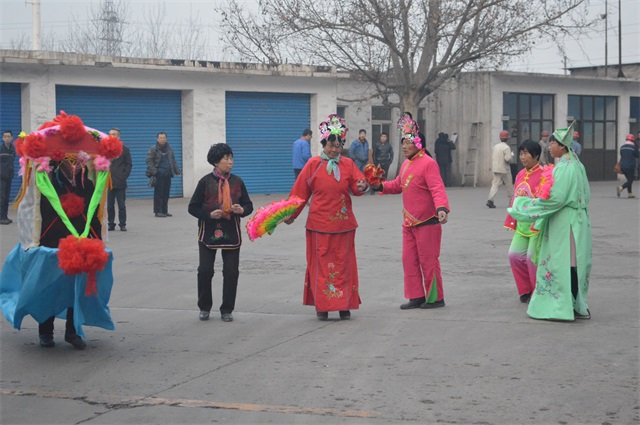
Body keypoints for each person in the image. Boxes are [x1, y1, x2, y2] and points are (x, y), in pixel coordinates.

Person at [0, 112, 121, 349]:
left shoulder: (89, 182)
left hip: (81, 240)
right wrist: (36, 242)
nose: (74, 165)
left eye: (78, 161)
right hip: (51, 243)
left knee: (75, 289)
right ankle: (45, 331)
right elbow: (35, 211)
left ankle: (72, 332)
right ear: (58, 161)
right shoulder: (46, 181)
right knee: (48, 287)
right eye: (68, 160)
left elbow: (96, 211)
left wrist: (96, 240)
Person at [285, 114, 369, 321]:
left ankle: (344, 305)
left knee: (344, 265)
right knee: (321, 266)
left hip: (344, 225)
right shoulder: (313, 164)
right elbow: (299, 193)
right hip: (319, 225)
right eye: (331, 145)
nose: (334, 150)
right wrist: (290, 214)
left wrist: (362, 186)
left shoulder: (348, 164)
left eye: (338, 146)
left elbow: (358, 184)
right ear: (324, 144)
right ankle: (322, 306)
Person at [508, 123, 592, 321]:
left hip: (565, 222)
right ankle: (575, 305)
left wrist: (526, 207)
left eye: (553, 143)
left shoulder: (565, 167)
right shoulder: (576, 164)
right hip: (576, 220)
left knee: (562, 264)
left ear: (562, 146)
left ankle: (562, 307)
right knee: (573, 264)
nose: (550, 146)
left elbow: (556, 199)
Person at [371, 113, 449, 310]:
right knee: (409, 260)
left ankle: (435, 298)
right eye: (403, 143)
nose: (404, 146)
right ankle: (416, 296)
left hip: (427, 222)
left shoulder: (429, 163)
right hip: (409, 222)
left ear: (418, 144)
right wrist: (379, 185)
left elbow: (437, 188)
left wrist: (441, 208)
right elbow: (397, 185)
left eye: (408, 142)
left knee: (428, 261)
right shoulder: (406, 164)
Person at [188, 144, 253, 323]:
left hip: (231, 233)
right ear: (216, 162)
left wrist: (241, 210)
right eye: (226, 159)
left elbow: (248, 205)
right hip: (208, 232)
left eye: (231, 158)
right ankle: (204, 307)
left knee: (231, 272)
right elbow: (192, 207)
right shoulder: (205, 182)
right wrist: (208, 215)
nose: (230, 162)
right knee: (205, 271)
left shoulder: (237, 182)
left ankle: (227, 309)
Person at [504, 140, 543, 304]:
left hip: (536, 226)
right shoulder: (520, 174)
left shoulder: (544, 175)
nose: (523, 157)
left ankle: (538, 292)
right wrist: (511, 219)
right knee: (514, 255)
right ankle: (525, 290)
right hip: (521, 226)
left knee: (532, 258)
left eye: (526, 153)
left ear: (536, 155)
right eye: (521, 153)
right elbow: (515, 198)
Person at [146, 132, 181, 218]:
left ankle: (164, 211)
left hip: (168, 174)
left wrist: (177, 171)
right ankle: (158, 211)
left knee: (166, 193)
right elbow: (149, 161)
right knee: (159, 193)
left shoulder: (169, 149)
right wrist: (155, 172)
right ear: (157, 139)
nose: (162, 139)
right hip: (159, 174)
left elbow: (173, 161)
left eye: (164, 138)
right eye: (161, 138)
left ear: (166, 139)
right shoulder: (153, 149)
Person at [107, 128, 132, 231]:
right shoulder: (106, 149)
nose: (111, 136)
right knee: (110, 206)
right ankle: (111, 223)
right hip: (109, 182)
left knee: (121, 205)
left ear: (118, 136)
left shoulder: (125, 149)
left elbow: (129, 164)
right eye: (110, 134)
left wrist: (123, 176)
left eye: (114, 134)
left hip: (120, 182)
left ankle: (122, 224)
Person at [486, 130, 515, 208]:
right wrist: (511, 156)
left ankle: (490, 199)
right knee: (509, 186)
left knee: (495, 185)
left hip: (496, 168)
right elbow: (508, 159)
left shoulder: (496, 146)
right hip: (505, 169)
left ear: (500, 138)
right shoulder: (506, 147)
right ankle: (511, 201)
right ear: (507, 138)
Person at [0, 130, 16, 225]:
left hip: (9, 176)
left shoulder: (12, 149)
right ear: (2, 138)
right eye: (5, 136)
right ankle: (1, 218)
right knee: (1, 197)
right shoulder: (1, 148)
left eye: (8, 136)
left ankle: (5, 216)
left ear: (11, 138)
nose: (7, 138)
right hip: (1, 177)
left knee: (6, 198)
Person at [617, 134, 639, 199]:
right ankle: (621, 188)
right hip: (630, 166)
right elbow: (638, 155)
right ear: (633, 140)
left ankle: (630, 193)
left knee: (629, 179)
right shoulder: (633, 147)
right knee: (631, 180)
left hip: (622, 166)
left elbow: (622, 154)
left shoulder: (622, 147)